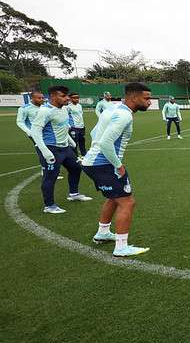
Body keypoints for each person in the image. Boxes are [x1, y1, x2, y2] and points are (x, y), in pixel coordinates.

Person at [82, 83, 152, 257]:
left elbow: (93, 133)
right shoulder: (124, 116)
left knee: (114, 198)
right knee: (127, 202)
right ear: (134, 97)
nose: (149, 102)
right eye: (146, 98)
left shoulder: (112, 110)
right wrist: (118, 165)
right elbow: (105, 142)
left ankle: (103, 232)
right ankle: (121, 247)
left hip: (93, 162)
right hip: (104, 164)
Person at [31, 86, 93, 214]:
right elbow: (35, 132)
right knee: (50, 176)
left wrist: (70, 141)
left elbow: (65, 126)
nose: (67, 98)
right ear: (53, 97)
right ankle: (49, 205)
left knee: (76, 168)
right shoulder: (45, 111)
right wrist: (45, 151)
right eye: (63, 96)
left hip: (65, 148)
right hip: (51, 148)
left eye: (67, 96)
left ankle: (73, 194)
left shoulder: (64, 109)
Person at [66, 92, 87, 158]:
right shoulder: (68, 107)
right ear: (70, 98)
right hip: (74, 128)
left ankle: (84, 155)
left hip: (81, 127)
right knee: (74, 143)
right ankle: (75, 157)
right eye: (74, 98)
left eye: (77, 98)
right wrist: (69, 126)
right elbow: (64, 117)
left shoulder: (79, 106)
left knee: (82, 142)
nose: (77, 99)